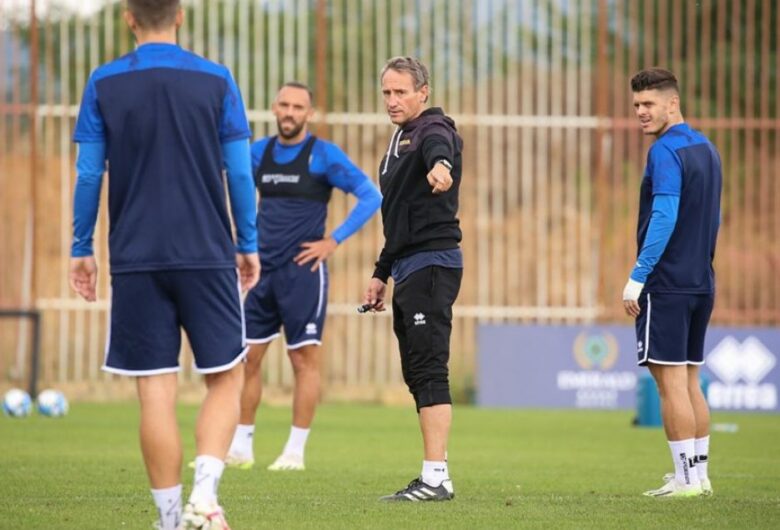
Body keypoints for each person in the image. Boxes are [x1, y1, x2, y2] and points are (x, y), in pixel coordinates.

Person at [68, 1, 259, 528]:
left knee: (155, 390)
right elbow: (240, 174)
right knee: (226, 376)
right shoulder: (217, 80)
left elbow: (89, 174)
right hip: (207, 253)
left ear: (129, 18)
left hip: (135, 257)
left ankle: (171, 519)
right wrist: (248, 242)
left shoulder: (103, 82)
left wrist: (81, 247)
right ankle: (205, 498)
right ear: (180, 16)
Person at [224, 82, 382, 471]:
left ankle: (294, 452)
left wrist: (333, 240)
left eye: (298, 107)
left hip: (303, 274)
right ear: (274, 108)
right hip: (260, 273)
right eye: (284, 105)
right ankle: (241, 448)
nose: (290, 112)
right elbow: (230, 186)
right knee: (247, 358)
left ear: (309, 114)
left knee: (303, 360)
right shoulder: (259, 153)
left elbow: (371, 196)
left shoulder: (323, 155)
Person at [363, 56, 463, 502]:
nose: (392, 100)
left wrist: (442, 166)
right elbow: (398, 219)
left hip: (432, 264)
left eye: (401, 91)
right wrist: (380, 273)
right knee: (416, 371)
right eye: (386, 92)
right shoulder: (399, 140)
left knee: (429, 368)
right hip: (408, 266)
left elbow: (440, 147)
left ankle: (436, 478)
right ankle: (435, 474)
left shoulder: (430, 129)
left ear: (423, 92)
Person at [622, 68, 722, 498]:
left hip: (667, 284)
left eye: (649, 104)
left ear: (672, 103)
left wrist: (638, 275)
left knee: (670, 385)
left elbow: (664, 216)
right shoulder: (706, 148)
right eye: (636, 105)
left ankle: (684, 480)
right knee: (691, 381)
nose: (641, 112)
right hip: (701, 281)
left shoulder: (664, 152)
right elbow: (713, 218)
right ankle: (699, 477)